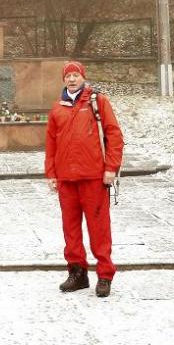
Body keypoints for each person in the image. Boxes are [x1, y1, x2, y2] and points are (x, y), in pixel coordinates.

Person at [45, 61, 124, 298]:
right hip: (66, 179)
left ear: (83, 77)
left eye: (75, 75)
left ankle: (105, 274)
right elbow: (51, 144)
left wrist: (111, 168)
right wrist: (51, 173)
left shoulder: (97, 102)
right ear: (63, 79)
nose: (71, 79)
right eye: (68, 76)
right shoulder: (57, 108)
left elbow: (114, 135)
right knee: (70, 229)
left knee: (99, 228)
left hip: (93, 177)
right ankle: (77, 273)